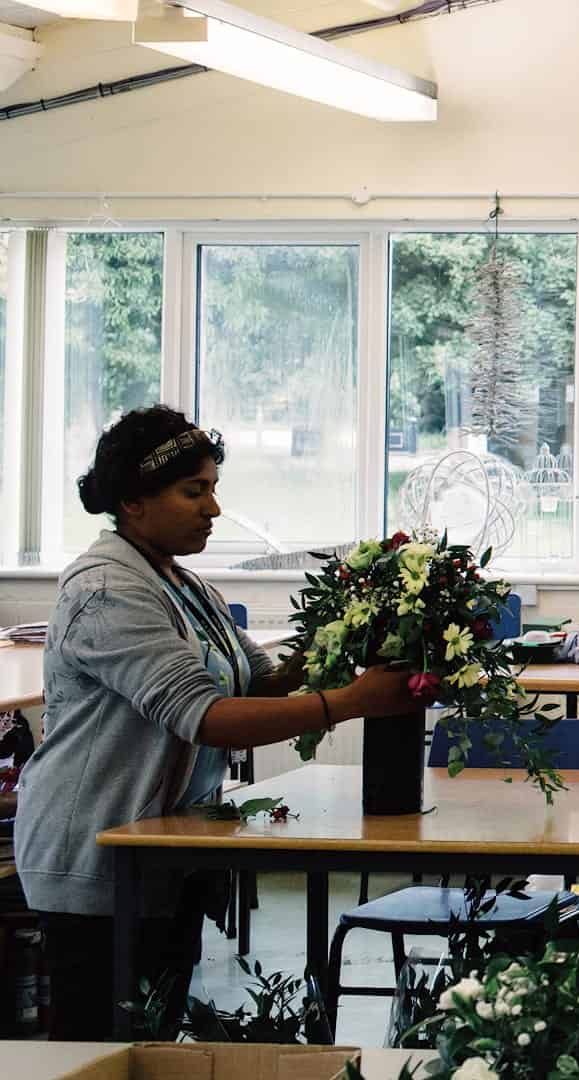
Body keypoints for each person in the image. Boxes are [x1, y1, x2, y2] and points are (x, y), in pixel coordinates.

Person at [14, 406, 416, 1041]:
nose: (213, 509)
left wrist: (354, 634)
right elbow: (207, 717)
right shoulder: (109, 588)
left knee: (152, 1041)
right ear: (133, 502)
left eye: (213, 489)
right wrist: (353, 701)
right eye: (193, 491)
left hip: (160, 851)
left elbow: (258, 681)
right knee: (100, 1050)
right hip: (92, 857)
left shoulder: (181, 582)